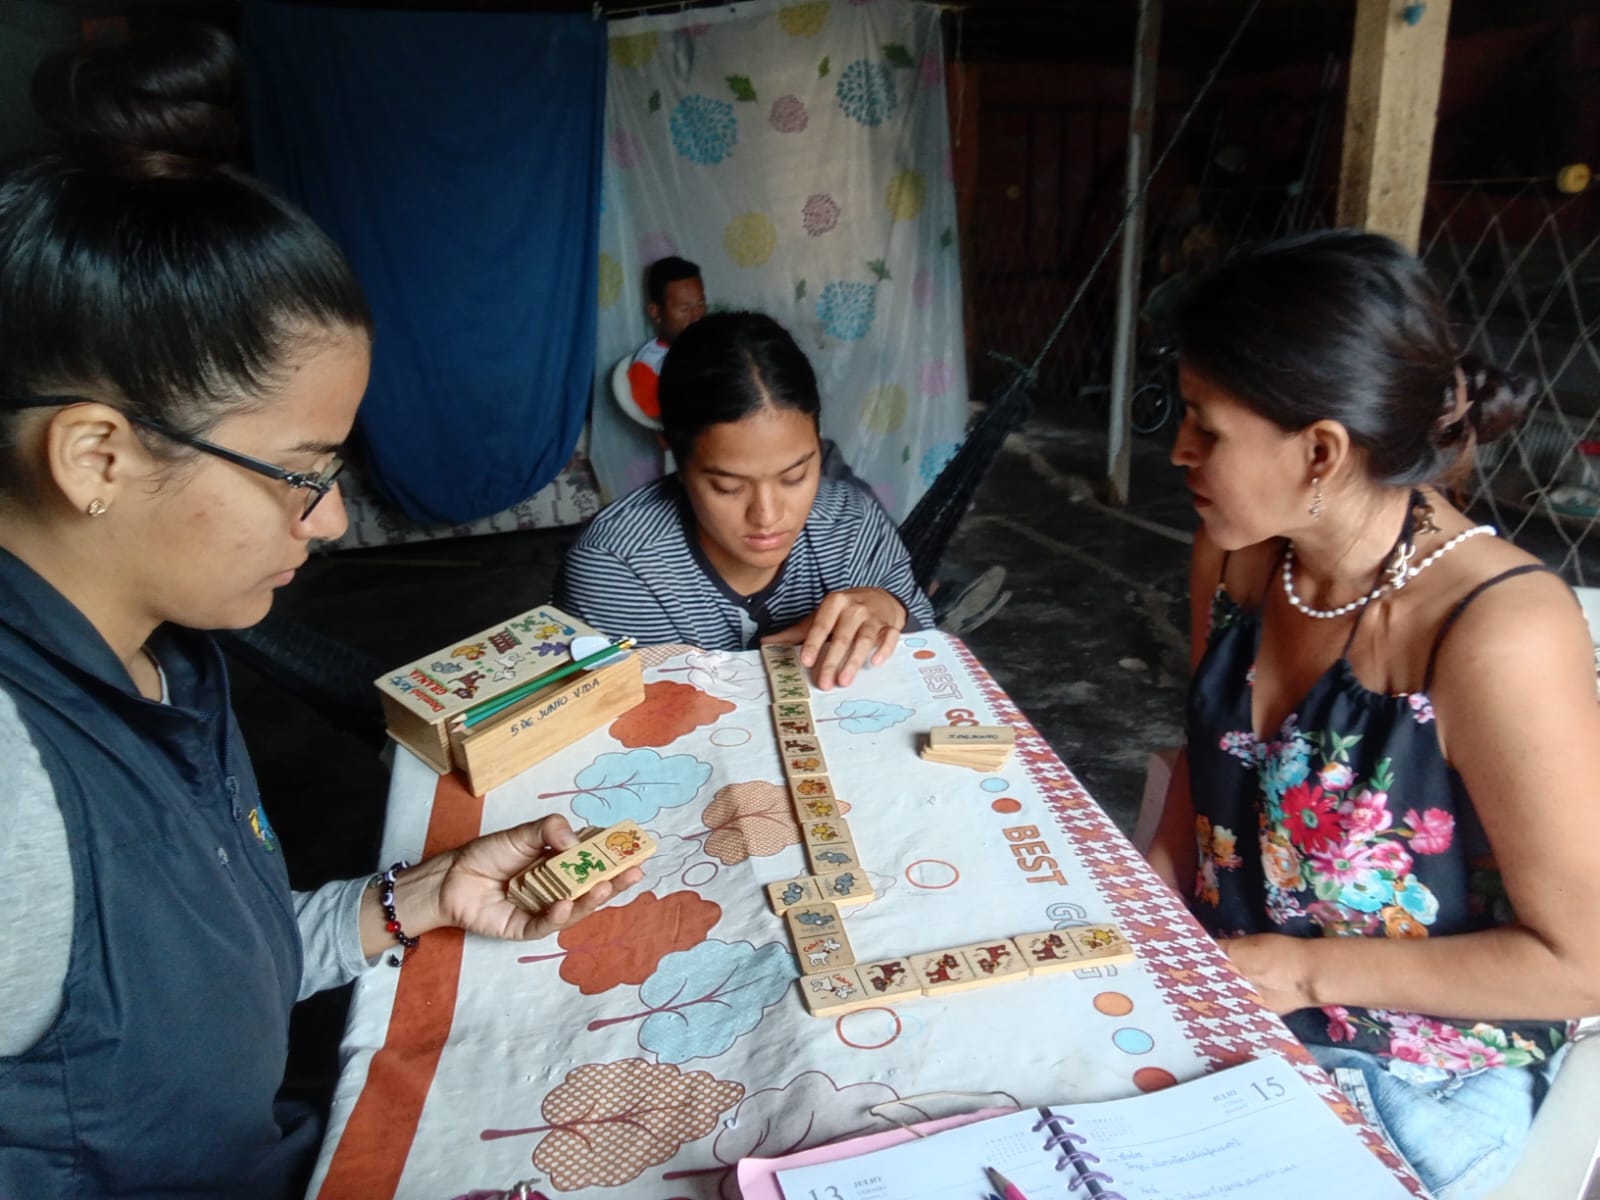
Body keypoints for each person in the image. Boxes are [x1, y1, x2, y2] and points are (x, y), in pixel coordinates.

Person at [0, 29, 640, 1200]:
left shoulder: (166, 653)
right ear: (96, 456)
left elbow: (177, 995)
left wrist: (415, 900)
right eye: (300, 473)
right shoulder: (15, 797)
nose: (335, 518)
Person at [1147, 229, 1600, 1199]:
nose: (1179, 451)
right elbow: (1214, 749)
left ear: (1320, 451)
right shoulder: (1238, 554)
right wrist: (1150, 886)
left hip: (1411, 1071)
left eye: (1206, 429)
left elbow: (1582, 963)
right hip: (1231, 999)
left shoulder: (1496, 631)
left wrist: (1303, 974)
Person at [558, 311, 935, 689]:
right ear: (678, 459)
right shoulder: (618, 569)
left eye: (794, 477)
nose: (767, 516)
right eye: (729, 487)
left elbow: (928, 662)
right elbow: (634, 714)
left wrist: (894, 611)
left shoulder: (852, 527)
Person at [616, 255, 708, 431]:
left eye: (701, 304)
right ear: (656, 312)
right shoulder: (648, 366)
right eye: (685, 309)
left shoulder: (714, 343)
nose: (696, 317)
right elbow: (666, 430)